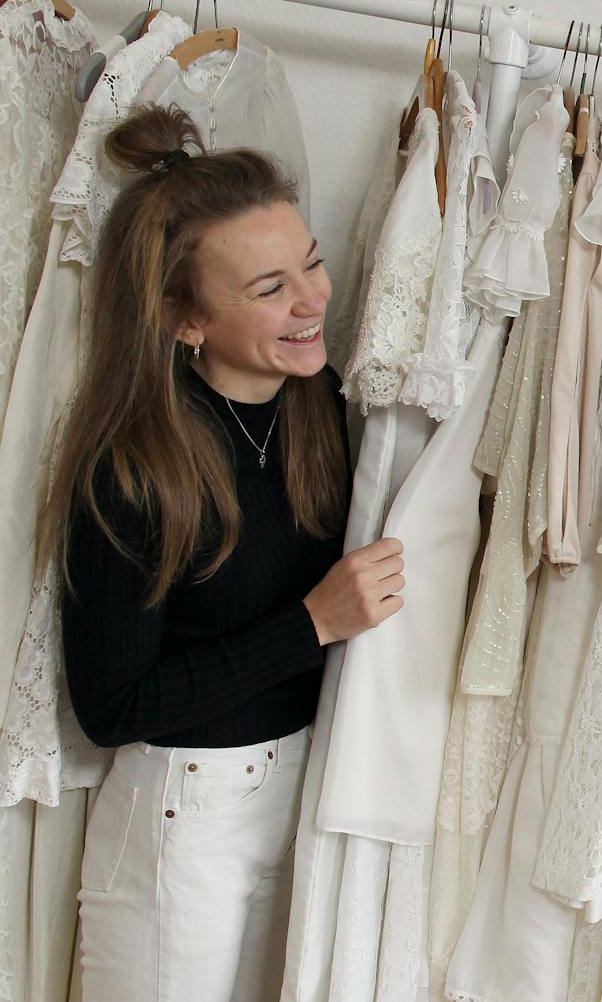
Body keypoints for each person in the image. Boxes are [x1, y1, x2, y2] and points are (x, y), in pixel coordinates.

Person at [38, 105, 402, 1002]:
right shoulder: (134, 468)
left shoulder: (318, 416)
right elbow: (112, 704)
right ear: (184, 319)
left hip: (299, 792)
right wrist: (312, 625)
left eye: (311, 262)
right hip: (182, 815)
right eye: (271, 287)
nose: (314, 299)